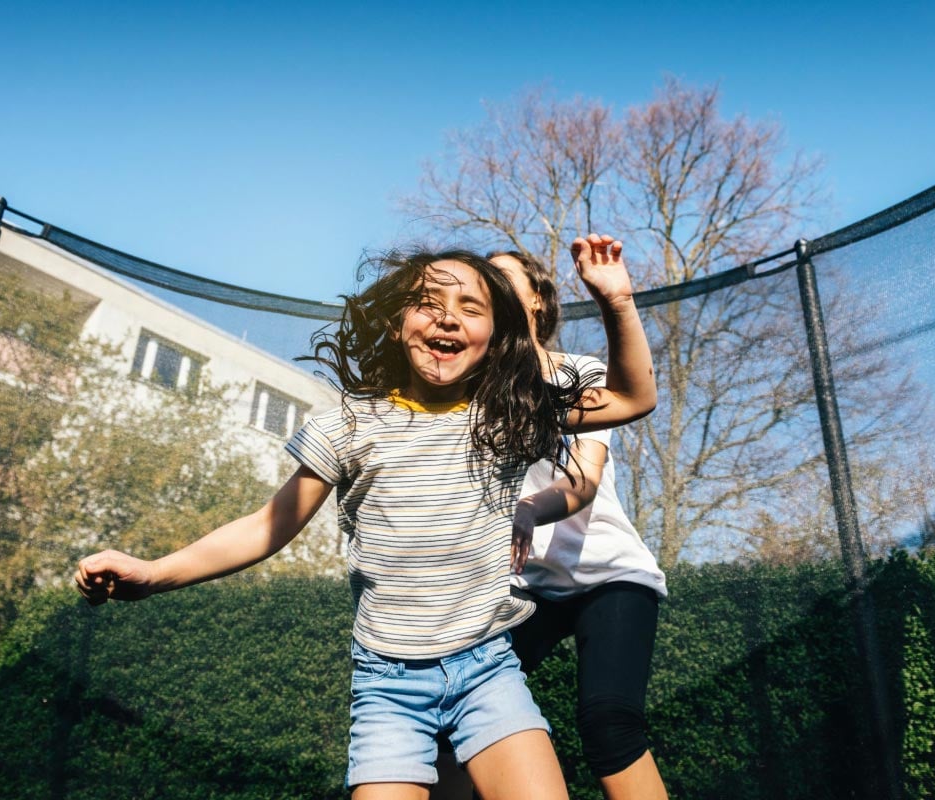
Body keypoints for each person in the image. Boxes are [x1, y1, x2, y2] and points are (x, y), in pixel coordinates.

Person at [75, 234, 656, 800]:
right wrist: (153, 573)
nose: (448, 319)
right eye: (429, 304)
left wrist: (616, 301)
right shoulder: (348, 427)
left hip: (487, 670)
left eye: (470, 308)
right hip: (389, 687)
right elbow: (265, 527)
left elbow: (633, 399)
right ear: (397, 322)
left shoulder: (505, 417)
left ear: (496, 336)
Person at [432, 250, 669, 800]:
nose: (488, 288)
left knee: (608, 721)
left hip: (609, 576)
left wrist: (531, 509)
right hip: (526, 587)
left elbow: (584, 478)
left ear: (538, 299)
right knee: (447, 718)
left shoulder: (578, 374)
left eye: (502, 279)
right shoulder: (472, 397)